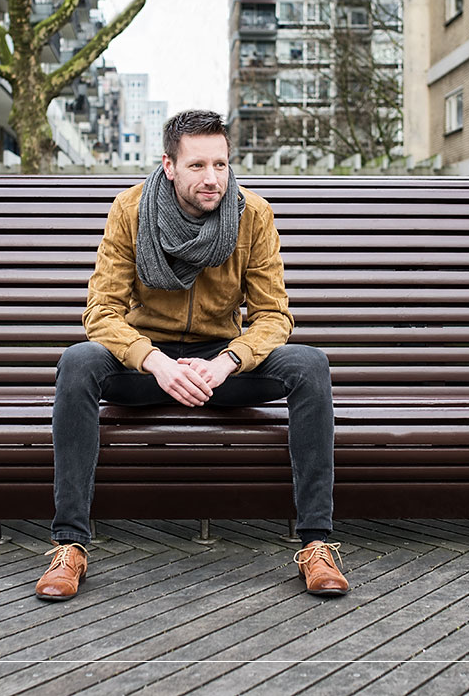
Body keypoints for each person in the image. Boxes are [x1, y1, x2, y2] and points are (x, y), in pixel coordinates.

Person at [35, 109, 347, 601]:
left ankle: (316, 543)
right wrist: (153, 360)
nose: (213, 178)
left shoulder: (252, 214)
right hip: (146, 364)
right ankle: (69, 545)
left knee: (311, 365)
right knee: (77, 362)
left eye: (221, 164)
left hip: (219, 363)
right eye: (198, 165)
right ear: (169, 166)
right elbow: (101, 312)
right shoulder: (130, 210)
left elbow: (274, 316)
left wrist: (227, 361)